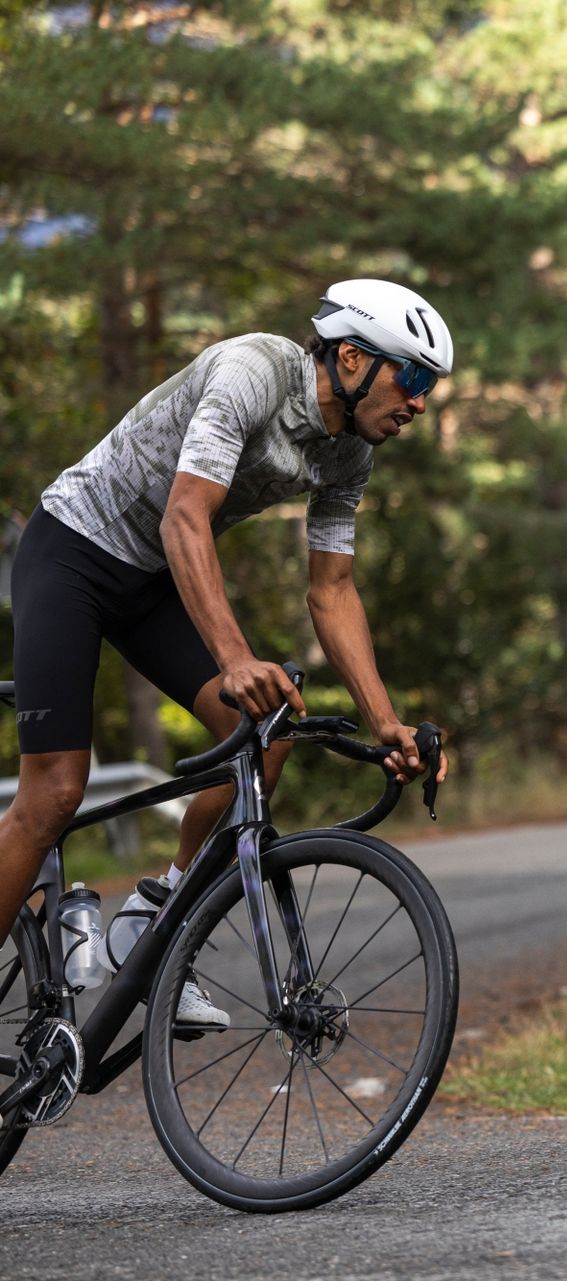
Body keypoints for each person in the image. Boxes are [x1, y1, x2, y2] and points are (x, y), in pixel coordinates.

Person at [1, 279, 454, 1028]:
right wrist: (235, 655)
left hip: (149, 580)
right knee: (53, 794)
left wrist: (386, 723)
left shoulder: (349, 454)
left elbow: (332, 591)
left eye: (430, 384)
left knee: (263, 737)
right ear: (351, 358)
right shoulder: (252, 371)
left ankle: (153, 917)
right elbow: (186, 516)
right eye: (412, 376)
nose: (421, 400)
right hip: (72, 553)